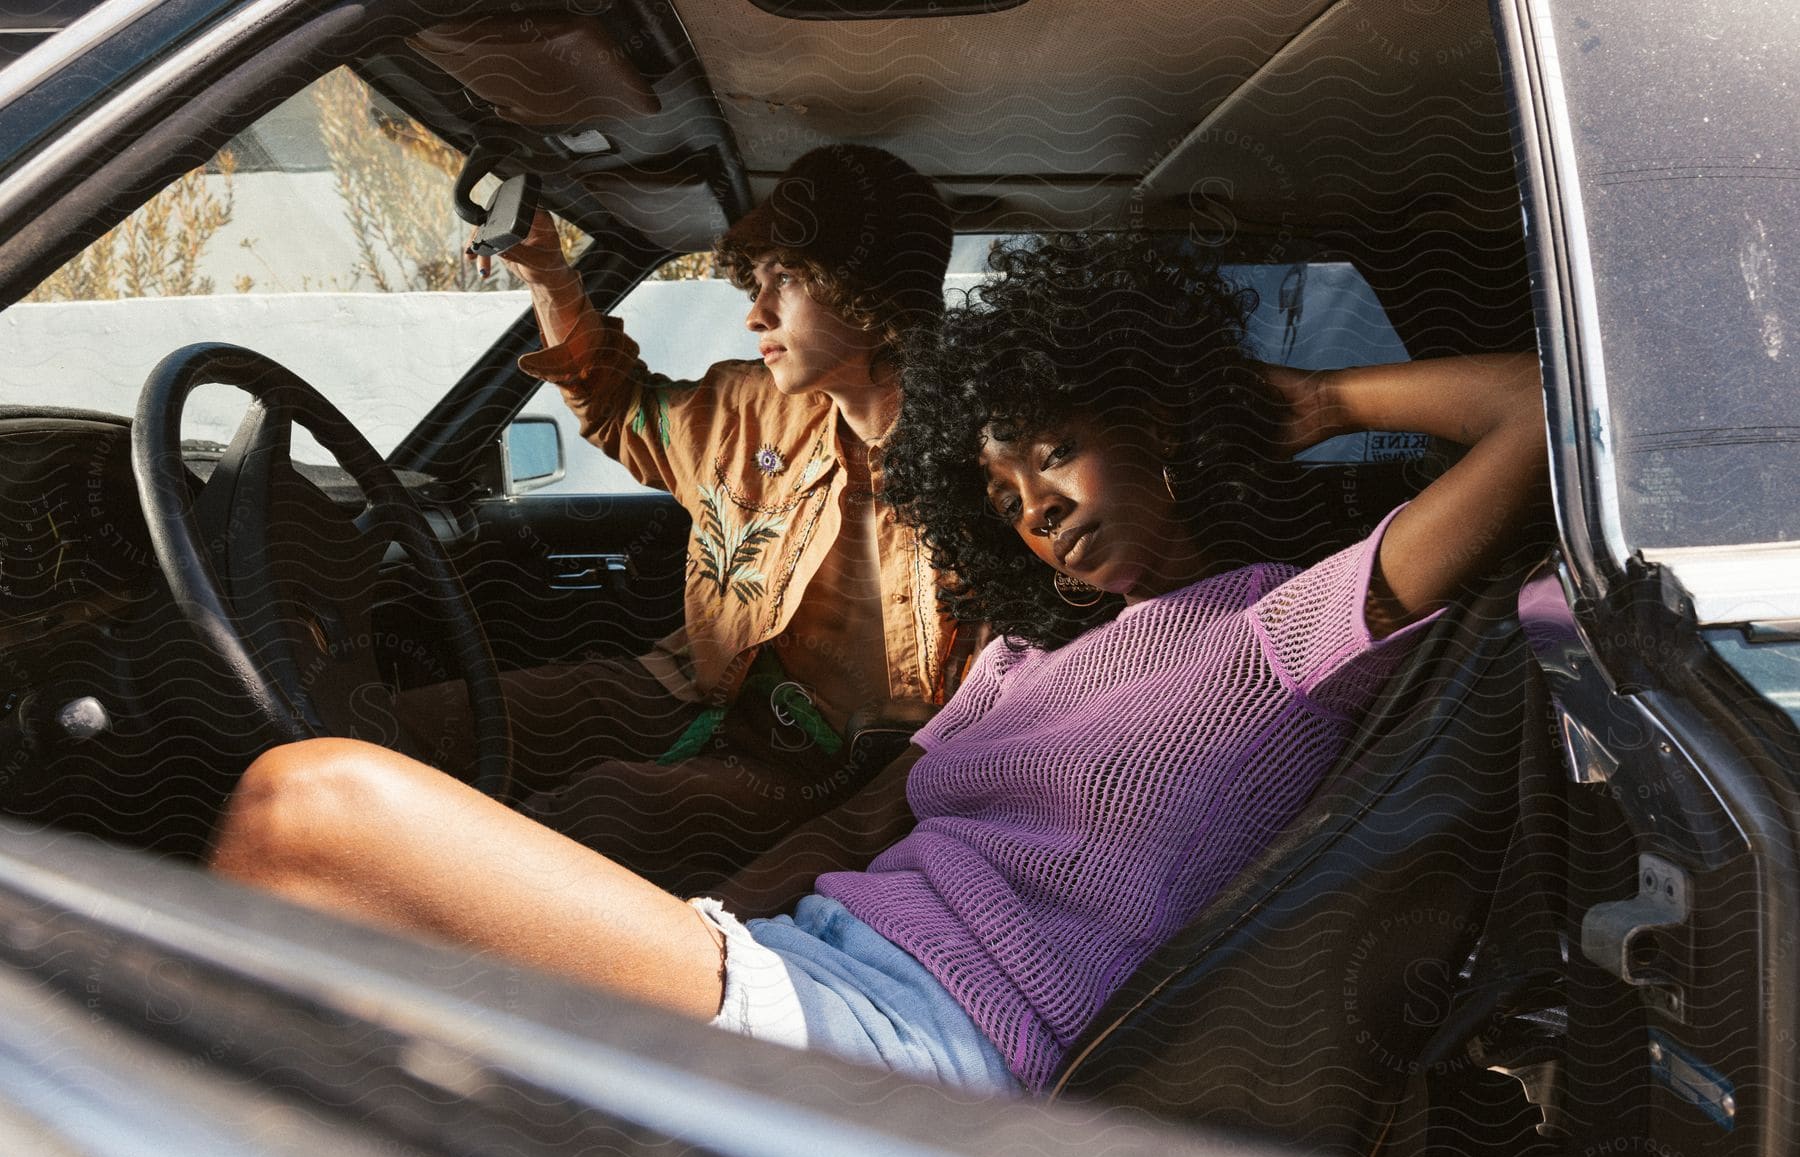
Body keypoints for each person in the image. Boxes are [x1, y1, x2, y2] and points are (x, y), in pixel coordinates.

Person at [214, 234, 1548, 1096]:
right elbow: (855, 822)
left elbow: (1542, 414)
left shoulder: (1287, 628)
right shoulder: (1026, 656)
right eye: (1003, 489)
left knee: (314, 804)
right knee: (389, 1003)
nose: (1036, 511)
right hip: (805, 967)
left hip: (933, 1050)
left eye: (1057, 452)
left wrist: (1319, 402)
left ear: (1158, 430)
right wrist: (698, 931)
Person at [409, 144, 966, 895]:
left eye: (789, 278)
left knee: (588, 817)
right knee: (435, 725)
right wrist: (546, 270)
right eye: (757, 278)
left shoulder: (991, 465)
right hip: (691, 689)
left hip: (822, 771)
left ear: (868, 287)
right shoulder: (745, 408)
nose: (755, 311)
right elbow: (616, 405)